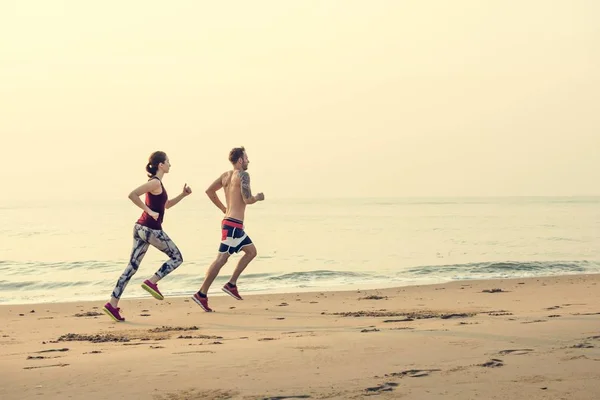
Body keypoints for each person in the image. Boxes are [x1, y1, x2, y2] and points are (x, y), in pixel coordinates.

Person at [103, 151, 192, 322]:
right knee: (177, 257)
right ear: (161, 165)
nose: (170, 164)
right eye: (168, 162)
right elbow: (132, 194)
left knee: (131, 267)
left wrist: (183, 195)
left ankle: (112, 304)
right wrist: (149, 211)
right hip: (150, 229)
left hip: (140, 229)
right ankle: (152, 282)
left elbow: (167, 205)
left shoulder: (158, 185)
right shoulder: (154, 182)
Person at [192, 146, 265, 312]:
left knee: (251, 252)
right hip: (233, 224)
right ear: (240, 160)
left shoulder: (225, 176)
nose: (248, 161)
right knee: (221, 259)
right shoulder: (243, 175)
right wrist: (258, 198)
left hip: (231, 223)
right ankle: (201, 294)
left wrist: (223, 208)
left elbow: (209, 191)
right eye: (246, 158)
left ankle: (231, 284)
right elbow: (247, 199)